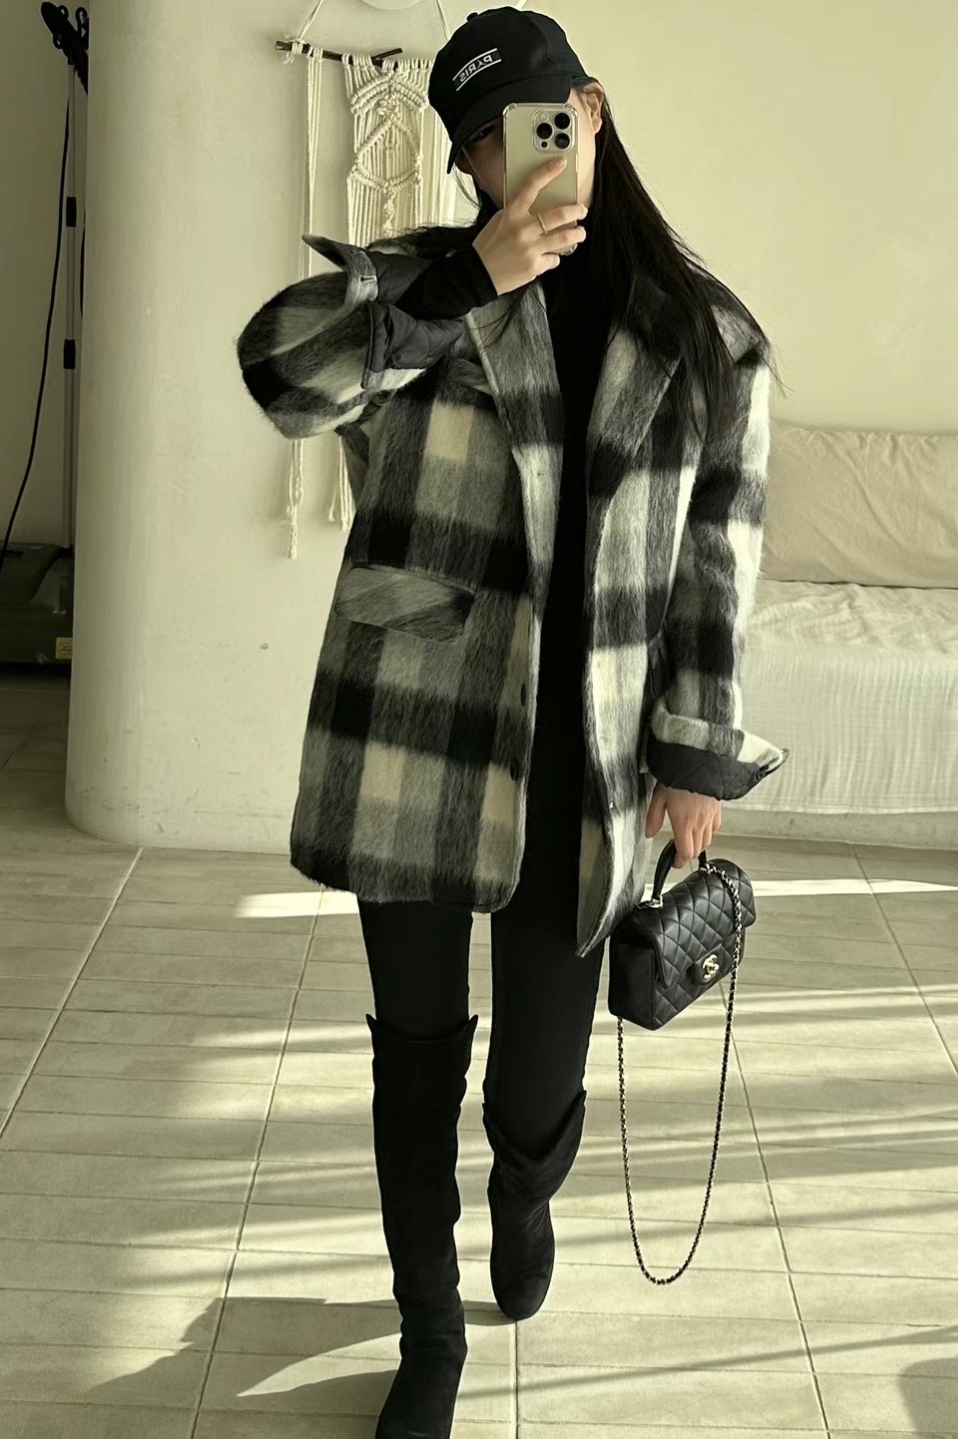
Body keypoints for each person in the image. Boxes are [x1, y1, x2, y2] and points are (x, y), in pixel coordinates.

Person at [237, 9, 788, 1435]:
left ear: (590, 109)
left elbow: (718, 566)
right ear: (468, 165)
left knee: (542, 1071)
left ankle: (525, 1187)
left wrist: (695, 754)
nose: (512, 158)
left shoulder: (709, 336)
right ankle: (429, 1330)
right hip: (419, 727)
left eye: (536, 122)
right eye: (481, 142)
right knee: (414, 1051)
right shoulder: (425, 284)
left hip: (588, 750)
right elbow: (281, 376)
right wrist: (463, 281)